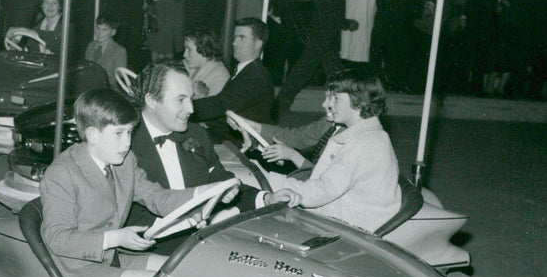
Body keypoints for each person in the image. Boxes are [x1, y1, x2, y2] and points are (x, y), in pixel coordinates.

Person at [40, 88, 239, 277]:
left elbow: (157, 197)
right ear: (93, 135)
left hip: (115, 258)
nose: (127, 143)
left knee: (188, 270)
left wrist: (202, 195)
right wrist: (116, 238)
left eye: (130, 133)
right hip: (83, 273)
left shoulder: (126, 162)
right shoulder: (62, 173)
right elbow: (57, 238)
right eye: (119, 134)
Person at [126, 60, 300, 254]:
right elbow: (125, 215)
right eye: (180, 99)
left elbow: (222, 180)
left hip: (201, 243)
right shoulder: (124, 143)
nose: (192, 109)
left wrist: (266, 198)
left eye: (191, 98)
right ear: (151, 100)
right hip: (151, 250)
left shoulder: (195, 134)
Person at [229, 67, 401, 233]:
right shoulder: (358, 133)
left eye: (336, 99)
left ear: (358, 101)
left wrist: (273, 182)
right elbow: (301, 142)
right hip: (337, 211)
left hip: (348, 226)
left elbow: (321, 191)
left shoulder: (364, 144)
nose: (327, 104)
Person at [274, 0, 359, 118]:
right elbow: (329, 13)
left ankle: (280, 104)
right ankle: (350, 108)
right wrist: (346, 23)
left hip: (321, 35)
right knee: (333, 74)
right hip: (324, 36)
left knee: (304, 70)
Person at [190, 17, 274, 143]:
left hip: (239, 143)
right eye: (235, 37)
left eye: (242, 38)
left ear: (258, 44)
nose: (234, 42)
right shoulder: (247, 70)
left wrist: (181, 107)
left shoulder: (255, 77)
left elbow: (220, 104)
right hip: (228, 134)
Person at [5, 0, 69, 55]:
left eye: (54, 3)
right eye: (46, 3)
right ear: (42, 5)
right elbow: (30, 49)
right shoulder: (36, 26)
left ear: (60, 6)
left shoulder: (66, 27)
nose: (50, 6)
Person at [182, 29, 230, 98]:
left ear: (203, 49)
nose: (185, 54)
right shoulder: (189, 65)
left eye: (189, 50)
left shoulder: (220, 78)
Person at [84, 15, 127, 86]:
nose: (100, 33)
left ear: (113, 32)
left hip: (109, 90)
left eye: (105, 30)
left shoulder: (119, 51)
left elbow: (119, 79)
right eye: (98, 28)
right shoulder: (90, 46)